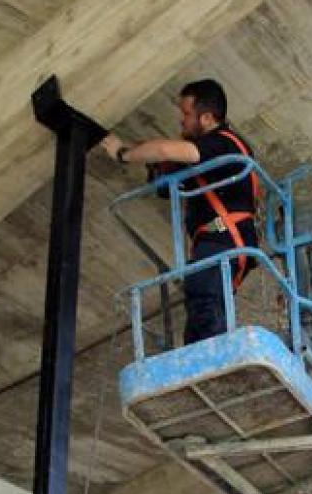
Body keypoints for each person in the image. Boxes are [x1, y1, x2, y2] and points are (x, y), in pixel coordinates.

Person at [99, 78, 262, 345]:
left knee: (204, 301)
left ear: (208, 118)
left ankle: (215, 363)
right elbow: (165, 185)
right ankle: (206, 366)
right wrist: (156, 168)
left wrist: (123, 153)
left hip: (222, 239)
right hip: (221, 242)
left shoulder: (222, 142)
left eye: (187, 114)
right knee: (200, 311)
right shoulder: (209, 161)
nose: (181, 121)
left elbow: (165, 148)